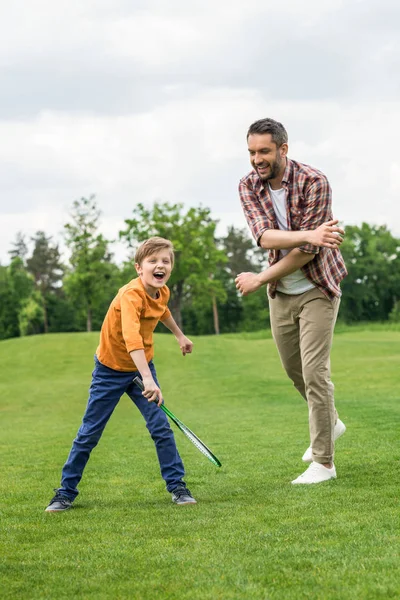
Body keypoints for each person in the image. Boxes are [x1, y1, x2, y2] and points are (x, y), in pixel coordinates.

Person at [45, 237, 196, 511]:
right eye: (153, 261)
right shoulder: (130, 295)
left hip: (141, 367)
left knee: (160, 427)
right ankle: (65, 493)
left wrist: (179, 335)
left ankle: (178, 487)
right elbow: (131, 337)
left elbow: (162, 311)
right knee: (89, 433)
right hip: (110, 371)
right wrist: (147, 380)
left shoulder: (162, 292)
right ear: (139, 268)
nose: (160, 265)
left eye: (166, 261)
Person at [235, 118, 347, 485]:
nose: (256, 159)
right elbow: (265, 237)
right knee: (294, 371)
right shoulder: (248, 185)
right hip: (282, 293)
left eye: (264, 151)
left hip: (317, 286)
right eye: (252, 152)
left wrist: (260, 277)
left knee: (316, 372)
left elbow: (307, 252)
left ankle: (324, 463)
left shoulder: (315, 181)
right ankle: (331, 421)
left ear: (283, 149)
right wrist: (310, 233)